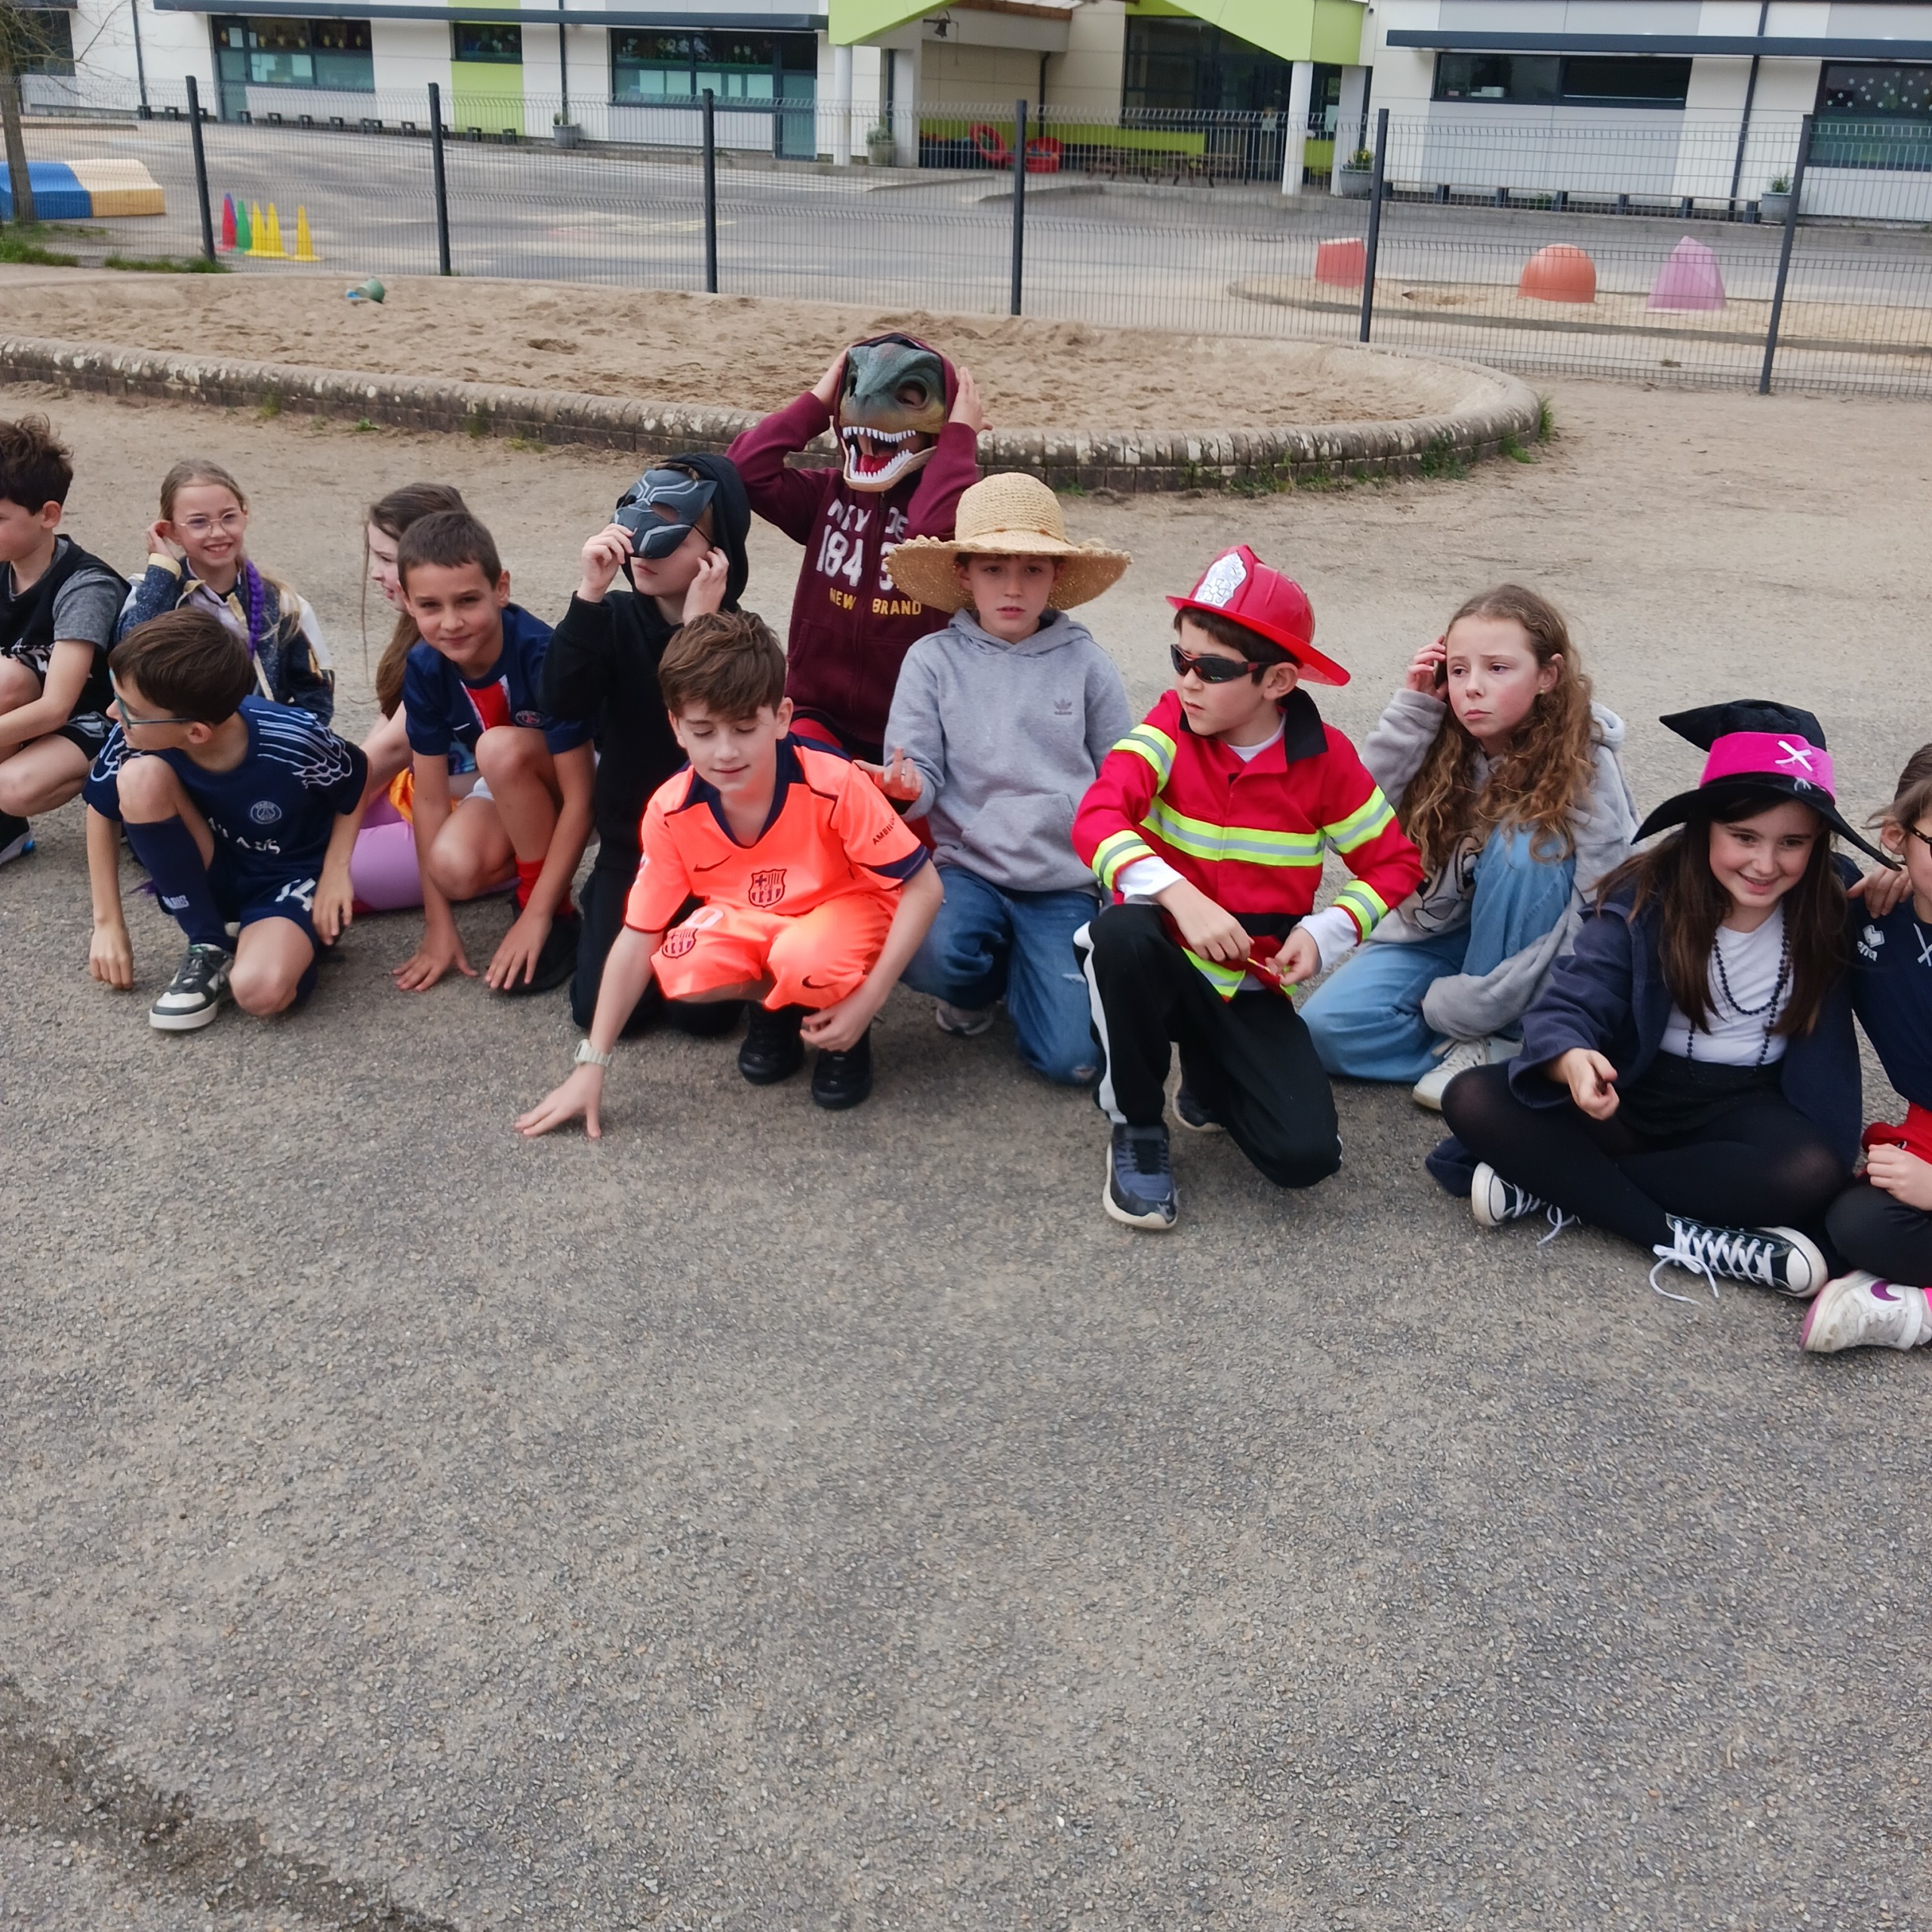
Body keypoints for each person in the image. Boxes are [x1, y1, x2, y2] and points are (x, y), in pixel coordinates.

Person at [1439, 701, 1890, 1302]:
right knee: (1473, 1097)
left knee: (1808, 1171)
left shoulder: (1835, 899)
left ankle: (1559, 1187)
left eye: (1792, 842)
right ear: (1704, 826)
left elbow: (1913, 941)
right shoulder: (1644, 893)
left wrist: (1908, 885)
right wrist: (1571, 1059)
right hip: (1630, 1092)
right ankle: (1679, 1237)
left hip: (1747, 1106)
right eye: (1744, 837)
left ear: (1818, 843)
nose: (1764, 864)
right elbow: (1573, 998)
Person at [1071, 546, 1425, 1231]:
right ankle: (1136, 1126)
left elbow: (1395, 865)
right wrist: (1181, 896)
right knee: (1119, 936)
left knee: (1305, 1158)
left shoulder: (1327, 760)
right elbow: (1097, 817)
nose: (1187, 682)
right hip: (1159, 960)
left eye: (1212, 669)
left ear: (1278, 680)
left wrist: (1324, 933)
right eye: (1180, 658)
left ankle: (1210, 1077)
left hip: (1250, 979)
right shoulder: (1167, 727)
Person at [515, 611, 943, 1135]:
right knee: (681, 965)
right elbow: (639, 934)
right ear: (676, 727)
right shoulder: (670, 809)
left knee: (806, 957)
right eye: (703, 730)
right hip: (755, 917)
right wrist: (591, 1064)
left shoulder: (835, 782)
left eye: (744, 728)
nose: (725, 751)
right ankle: (777, 1006)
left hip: (845, 910)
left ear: (781, 717)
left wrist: (869, 998)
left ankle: (843, 1024)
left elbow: (924, 887)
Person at [1300, 584, 1637, 1110]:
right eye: (1458, 670)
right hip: (1437, 938)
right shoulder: (1434, 729)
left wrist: (1564, 995)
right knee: (1323, 1033)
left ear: (1547, 676)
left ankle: (1503, 1034)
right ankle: (1503, 1050)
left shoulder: (1582, 757)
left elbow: (1603, 894)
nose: (1472, 688)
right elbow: (1353, 819)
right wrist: (1411, 712)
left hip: (1533, 942)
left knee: (1526, 840)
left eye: (1498, 668)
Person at [875, 472, 1132, 1084]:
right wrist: (905, 791)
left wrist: (1116, 883)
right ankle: (979, 983)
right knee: (927, 951)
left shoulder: (1088, 664)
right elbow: (920, 773)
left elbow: (1122, 780)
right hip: (968, 869)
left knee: (1074, 1062)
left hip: (1063, 883)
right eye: (993, 569)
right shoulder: (930, 662)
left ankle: (1034, 971)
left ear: (1056, 576)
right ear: (963, 573)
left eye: (1032, 570)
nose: (1013, 587)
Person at [542, 457, 750, 1041]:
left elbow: (704, 744)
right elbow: (560, 700)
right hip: (629, 850)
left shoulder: (743, 638)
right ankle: (606, 917)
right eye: (636, 518)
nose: (641, 544)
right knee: (604, 1013)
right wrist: (589, 593)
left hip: (714, 858)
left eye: (670, 529)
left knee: (703, 1015)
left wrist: (696, 634)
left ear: (716, 553)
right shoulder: (609, 619)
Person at [82, 610, 367, 1032]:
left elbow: (356, 777)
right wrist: (107, 923)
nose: (111, 712)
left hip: (285, 879)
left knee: (260, 992)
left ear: (197, 733)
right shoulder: (135, 731)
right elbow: (101, 809)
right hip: (210, 864)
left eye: (128, 708)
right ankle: (209, 943)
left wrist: (337, 872)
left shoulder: (294, 738)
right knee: (138, 778)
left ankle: (278, 942)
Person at [728, 331, 981, 761]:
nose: (870, 430)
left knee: (900, 806)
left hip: (914, 722)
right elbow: (743, 470)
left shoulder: (959, 506)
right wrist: (818, 401)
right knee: (806, 785)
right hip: (817, 711)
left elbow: (928, 537)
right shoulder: (826, 495)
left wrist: (957, 439)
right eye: (857, 392)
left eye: (908, 397)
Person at [394, 509, 593, 995]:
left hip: (594, 782)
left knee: (498, 747)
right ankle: (537, 872)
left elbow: (582, 798)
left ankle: (551, 911)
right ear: (407, 602)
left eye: (467, 600)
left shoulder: (541, 653)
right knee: (452, 869)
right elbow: (430, 799)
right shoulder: (423, 667)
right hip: (513, 779)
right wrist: (438, 926)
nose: (451, 623)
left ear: (500, 588)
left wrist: (537, 914)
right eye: (430, 606)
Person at [1802, 744, 1932, 1352]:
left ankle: (1919, 1310)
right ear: (1896, 837)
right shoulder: (1872, 918)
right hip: (1925, 1129)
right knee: (1850, 1223)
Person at [345, 481, 488, 915]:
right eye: (375, 557)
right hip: (418, 791)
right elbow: (382, 734)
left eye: (387, 560)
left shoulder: (457, 637)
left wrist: (302, 807)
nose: (376, 573)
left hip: (474, 813)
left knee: (329, 865)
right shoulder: (418, 625)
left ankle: (497, 869)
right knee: (310, 843)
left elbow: (392, 749)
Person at [0, 414, 128, 866]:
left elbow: (57, 707)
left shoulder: (85, 586)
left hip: (102, 718)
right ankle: (5, 832)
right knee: (6, 680)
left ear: (48, 515)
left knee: (13, 787)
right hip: (38, 713)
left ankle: (124, 794)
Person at [118, 457, 334, 724]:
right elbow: (126, 662)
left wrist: (274, 736)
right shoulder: (150, 593)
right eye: (198, 522)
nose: (218, 532)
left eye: (229, 517)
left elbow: (317, 699)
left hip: (261, 742)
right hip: (170, 739)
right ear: (171, 531)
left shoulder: (285, 606)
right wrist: (162, 572)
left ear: (245, 516)